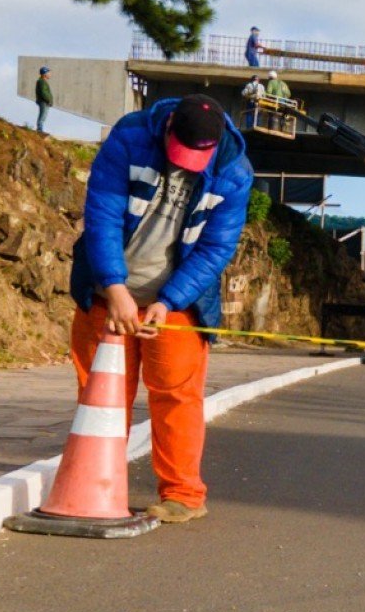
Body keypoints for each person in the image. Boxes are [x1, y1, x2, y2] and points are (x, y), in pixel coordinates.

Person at [67, 94, 254, 522]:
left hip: (179, 302)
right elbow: (103, 215)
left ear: (215, 144)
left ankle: (183, 496)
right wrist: (115, 289)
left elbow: (216, 249)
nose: (185, 164)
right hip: (107, 290)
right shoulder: (131, 137)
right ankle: (96, 486)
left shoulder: (233, 173)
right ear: (167, 127)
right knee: (101, 396)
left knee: (177, 395)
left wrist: (169, 302)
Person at [34, 66, 53, 133]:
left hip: (45, 101)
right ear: (45, 74)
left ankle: (40, 128)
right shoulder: (41, 82)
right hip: (44, 101)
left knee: (44, 115)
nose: (50, 74)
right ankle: (39, 129)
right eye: (49, 73)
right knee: (43, 115)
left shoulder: (43, 81)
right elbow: (43, 92)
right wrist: (48, 100)